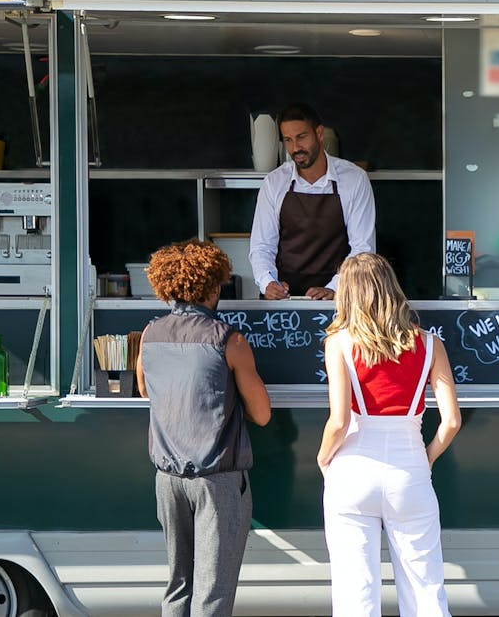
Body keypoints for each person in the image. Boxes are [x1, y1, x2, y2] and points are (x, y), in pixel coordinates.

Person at [317, 252, 462, 617]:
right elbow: (451, 422)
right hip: (409, 469)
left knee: (355, 595)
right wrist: (425, 459)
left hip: (351, 469)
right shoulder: (430, 344)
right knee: (425, 591)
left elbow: (338, 421)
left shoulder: (338, 343)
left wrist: (323, 457)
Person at [136, 239, 273, 617]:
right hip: (218, 480)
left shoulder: (149, 335)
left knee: (178, 584)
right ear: (213, 287)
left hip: (167, 478)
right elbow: (262, 414)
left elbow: (147, 389)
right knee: (212, 592)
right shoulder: (229, 340)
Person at [250, 102, 377, 301]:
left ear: (319, 133)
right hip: (285, 300)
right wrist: (268, 282)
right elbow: (261, 246)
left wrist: (336, 287)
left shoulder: (354, 179)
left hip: (338, 299)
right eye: (288, 140)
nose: (295, 148)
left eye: (301, 137)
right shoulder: (274, 183)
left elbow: (363, 250)